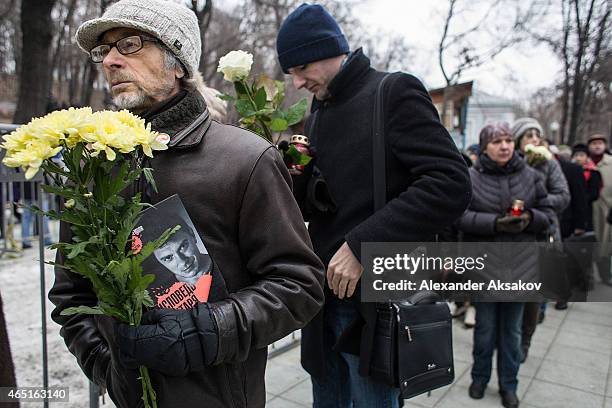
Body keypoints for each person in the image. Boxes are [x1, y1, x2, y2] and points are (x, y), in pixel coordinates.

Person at [48, 1, 325, 407]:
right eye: (103, 50)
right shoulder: (92, 167)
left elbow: (299, 285)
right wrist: (106, 366)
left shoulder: (245, 159)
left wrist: (207, 331)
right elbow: (72, 295)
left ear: (177, 63)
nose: (108, 60)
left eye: (129, 44)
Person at [276, 4, 472, 407]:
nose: (296, 83)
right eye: (290, 73)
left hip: (372, 303)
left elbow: (450, 183)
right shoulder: (318, 113)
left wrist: (362, 245)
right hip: (322, 298)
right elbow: (327, 205)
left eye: (300, 68)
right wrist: (294, 176)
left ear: (330, 50)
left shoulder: (393, 91)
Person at [455, 123, 553, 408]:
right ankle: (479, 378)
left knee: (511, 333)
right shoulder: (471, 177)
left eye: (509, 140)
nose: (505, 146)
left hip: (521, 267)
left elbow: (548, 213)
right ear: (485, 145)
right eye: (497, 141)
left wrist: (530, 218)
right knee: (484, 330)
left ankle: (509, 385)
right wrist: (494, 223)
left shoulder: (531, 176)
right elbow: (459, 217)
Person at [511, 117, 569, 360]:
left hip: (543, 234)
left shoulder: (550, 164)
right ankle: (510, 339)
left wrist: (539, 204)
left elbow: (563, 196)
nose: (534, 139)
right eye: (528, 136)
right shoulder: (511, 162)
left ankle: (525, 339)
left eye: (537, 135)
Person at [587, 134, 612, 286]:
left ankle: (605, 275)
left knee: (606, 244)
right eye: (594, 143)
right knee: (588, 243)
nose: (597, 146)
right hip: (589, 210)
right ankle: (588, 276)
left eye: (600, 143)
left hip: (607, 210)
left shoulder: (610, 163)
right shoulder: (584, 163)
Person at [572, 143, 602, 232]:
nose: (578, 158)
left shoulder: (593, 173)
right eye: (576, 155)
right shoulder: (570, 171)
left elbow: (595, 193)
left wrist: (582, 199)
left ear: (587, 157)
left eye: (581, 155)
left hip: (588, 209)